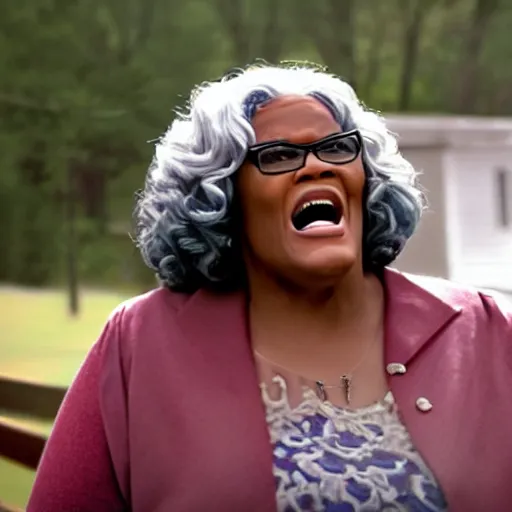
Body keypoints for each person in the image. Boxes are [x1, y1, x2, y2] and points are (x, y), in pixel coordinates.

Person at [27, 62, 512, 512]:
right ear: (220, 197)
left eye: (337, 147)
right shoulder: (137, 344)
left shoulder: (482, 328)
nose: (318, 166)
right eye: (278, 155)